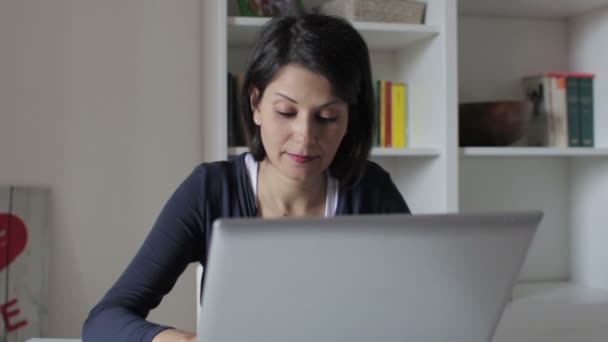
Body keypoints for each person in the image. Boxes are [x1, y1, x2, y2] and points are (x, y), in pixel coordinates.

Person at [82, 13, 410, 342]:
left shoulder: (371, 192)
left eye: (327, 117)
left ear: (350, 118)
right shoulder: (209, 192)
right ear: (256, 103)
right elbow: (103, 321)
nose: (305, 136)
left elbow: (428, 309)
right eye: (286, 112)